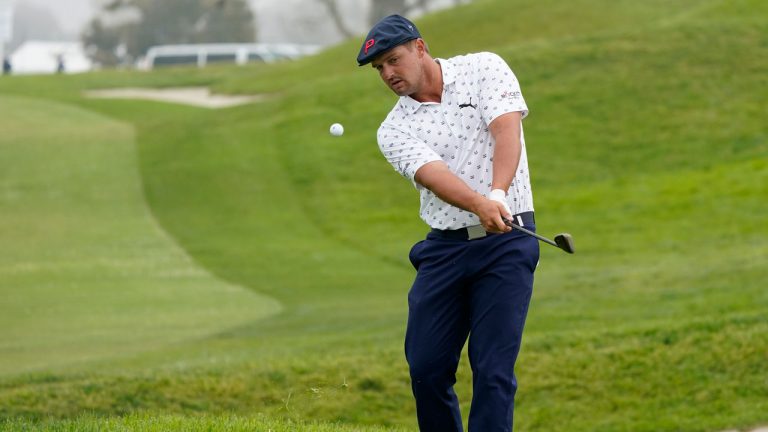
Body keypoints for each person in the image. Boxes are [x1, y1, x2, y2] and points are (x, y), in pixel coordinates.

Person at [357, 15, 540, 432]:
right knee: (426, 368)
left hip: (507, 242)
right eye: (379, 68)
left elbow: (506, 130)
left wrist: (497, 195)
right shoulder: (394, 129)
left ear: (420, 48)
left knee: (493, 370)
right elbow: (433, 175)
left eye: (393, 60)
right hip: (445, 250)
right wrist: (480, 204)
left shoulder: (484, 68)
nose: (388, 73)